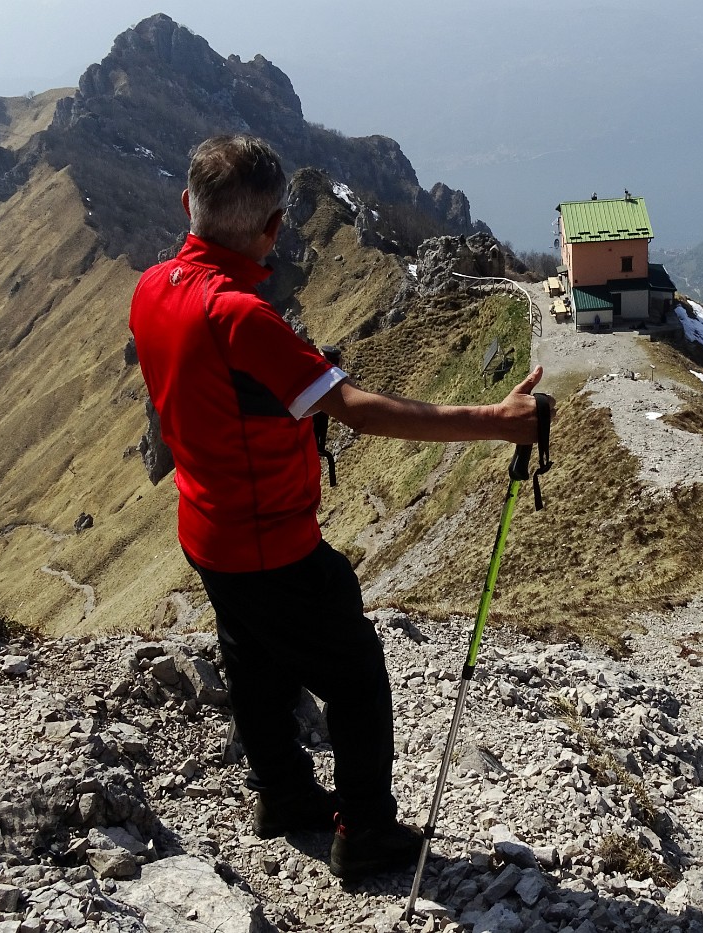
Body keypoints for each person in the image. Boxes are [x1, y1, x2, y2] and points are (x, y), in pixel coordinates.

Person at [128, 134, 552, 880]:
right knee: (354, 674)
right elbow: (357, 408)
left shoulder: (150, 289)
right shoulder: (240, 318)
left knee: (250, 657)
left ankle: (285, 796)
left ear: (186, 204)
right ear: (275, 228)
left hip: (206, 530)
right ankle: (366, 833)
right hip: (273, 541)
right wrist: (498, 419)